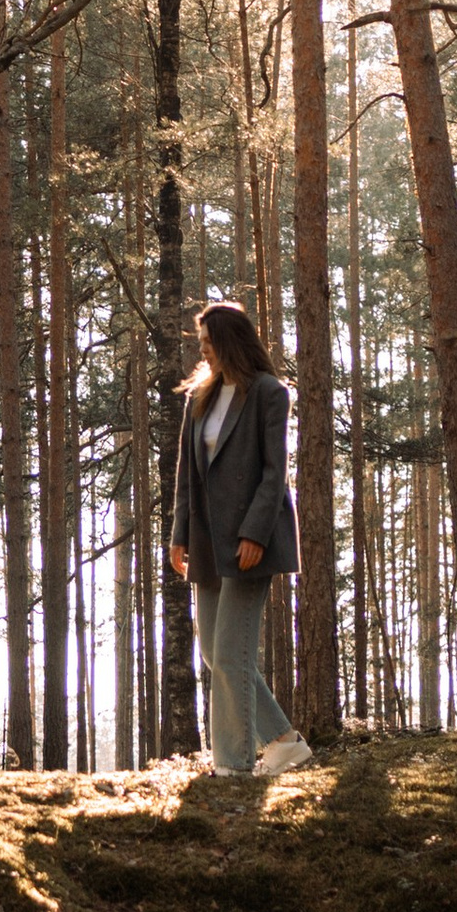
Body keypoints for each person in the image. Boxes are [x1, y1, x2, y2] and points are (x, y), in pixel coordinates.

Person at [166, 298, 314, 779]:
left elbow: (275, 474)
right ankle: (284, 743)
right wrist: (178, 534)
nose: (204, 352)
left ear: (230, 341)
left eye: (209, 343)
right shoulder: (200, 397)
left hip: (253, 540)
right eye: (201, 343)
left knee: (231, 652)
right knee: (214, 651)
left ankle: (231, 767)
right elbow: (187, 474)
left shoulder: (270, 394)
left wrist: (254, 531)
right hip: (208, 540)